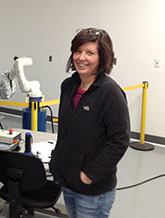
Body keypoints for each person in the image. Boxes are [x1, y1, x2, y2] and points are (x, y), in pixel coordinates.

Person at [49, 28, 130, 218]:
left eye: (90, 53)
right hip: (68, 179)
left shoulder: (110, 92)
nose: (81, 58)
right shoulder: (68, 86)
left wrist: (89, 175)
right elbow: (67, 131)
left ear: (103, 57)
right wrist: (57, 161)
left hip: (92, 188)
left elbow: (120, 139)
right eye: (78, 51)